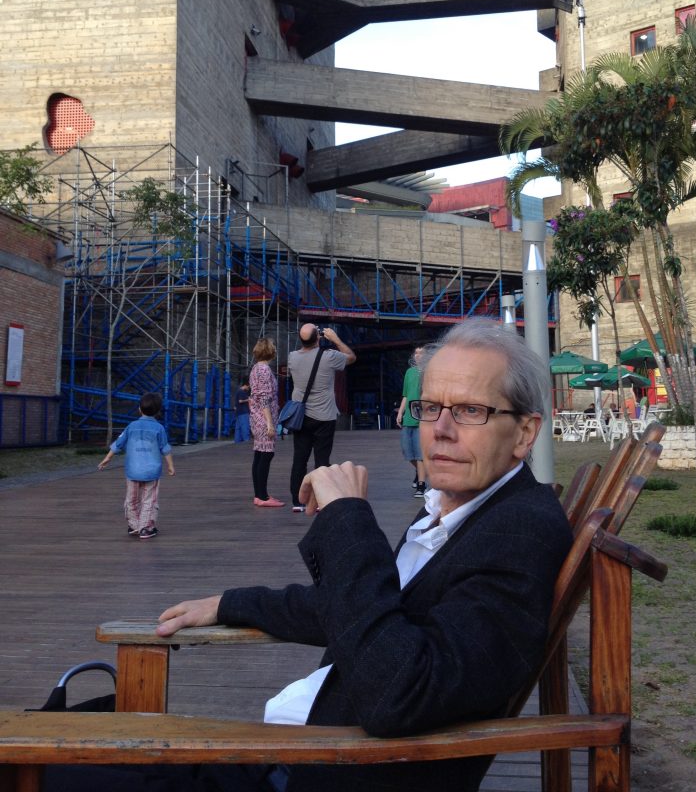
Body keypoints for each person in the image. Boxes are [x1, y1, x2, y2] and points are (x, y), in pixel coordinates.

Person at [133, 317, 572, 792]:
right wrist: (229, 603)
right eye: (429, 408)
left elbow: (400, 690)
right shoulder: (465, 511)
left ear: (525, 433)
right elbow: (370, 608)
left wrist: (347, 517)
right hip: (306, 753)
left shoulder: (519, 533)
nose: (440, 430)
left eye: (469, 411)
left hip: (330, 768)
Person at [286, 323, 355, 512]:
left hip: (300, 417)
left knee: (299, 459)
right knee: (322, 460)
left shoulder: (292, 358)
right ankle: (318, 500)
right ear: (318, 337)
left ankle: (297, 501)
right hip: (324, 416)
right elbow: (351, 357)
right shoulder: (329, 356)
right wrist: (335, 339)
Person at [97, 392, 175, 540]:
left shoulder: (131, 426)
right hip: (152, 471)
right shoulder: (159, 428)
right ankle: (145, 528)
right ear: (158, 412)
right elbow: (165, 448)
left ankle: (133, 525)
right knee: (149, 500)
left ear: (139, 409)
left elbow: (118, 444)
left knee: (131, 498)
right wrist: (170, 465)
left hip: (133, 470)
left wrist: (107, 458)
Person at [249, 338, 283, 507]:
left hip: (256, 417)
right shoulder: (264, 370)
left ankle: (260, 494)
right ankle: (262, 496)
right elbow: (264, 398)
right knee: (266, 455)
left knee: (259, 455)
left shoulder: (255, 368)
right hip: (264, 419)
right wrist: (270, 423)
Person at [395, 345, 426, 497]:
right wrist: (400, 413)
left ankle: (421, 485)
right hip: (408, 417)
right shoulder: (409, 372)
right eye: (416, 352)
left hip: (422, 418)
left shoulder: (429, 372)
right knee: (407, 452)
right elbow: (406, 396)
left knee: (419, 454)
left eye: (421, 353)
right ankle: (419, 471)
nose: (418, 355)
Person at [233, 376, 251, 443]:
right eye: (248, 387)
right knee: (245, 426)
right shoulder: (242, 392)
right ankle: (246, 440)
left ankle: (237, 440)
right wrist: (248, 399)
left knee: (238, 428)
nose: (248, 388)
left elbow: (236, 402)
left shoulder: (238, 391)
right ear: (246, 385)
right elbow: (240, 401)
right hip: (243, 412)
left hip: (238, 412)